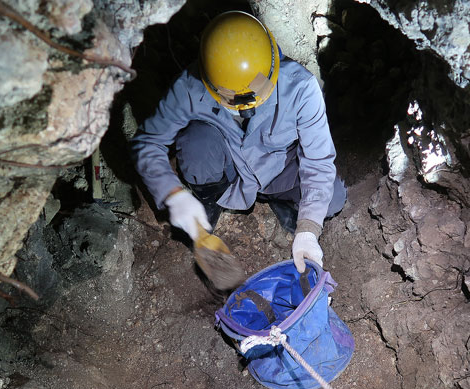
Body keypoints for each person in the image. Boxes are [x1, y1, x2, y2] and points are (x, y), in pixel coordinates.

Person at [130, 11, 346, 273]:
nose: (246, 110)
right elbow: (148, 142)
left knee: (332, 197)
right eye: (234, 101)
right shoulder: (189, 86)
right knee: (196, 140)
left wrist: (309, 228)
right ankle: (209, 199)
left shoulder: (300, 87)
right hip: (230, 168)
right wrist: (172, 194)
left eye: (256, 96)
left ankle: (283, 202)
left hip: (279, 168)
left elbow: (319, 160)